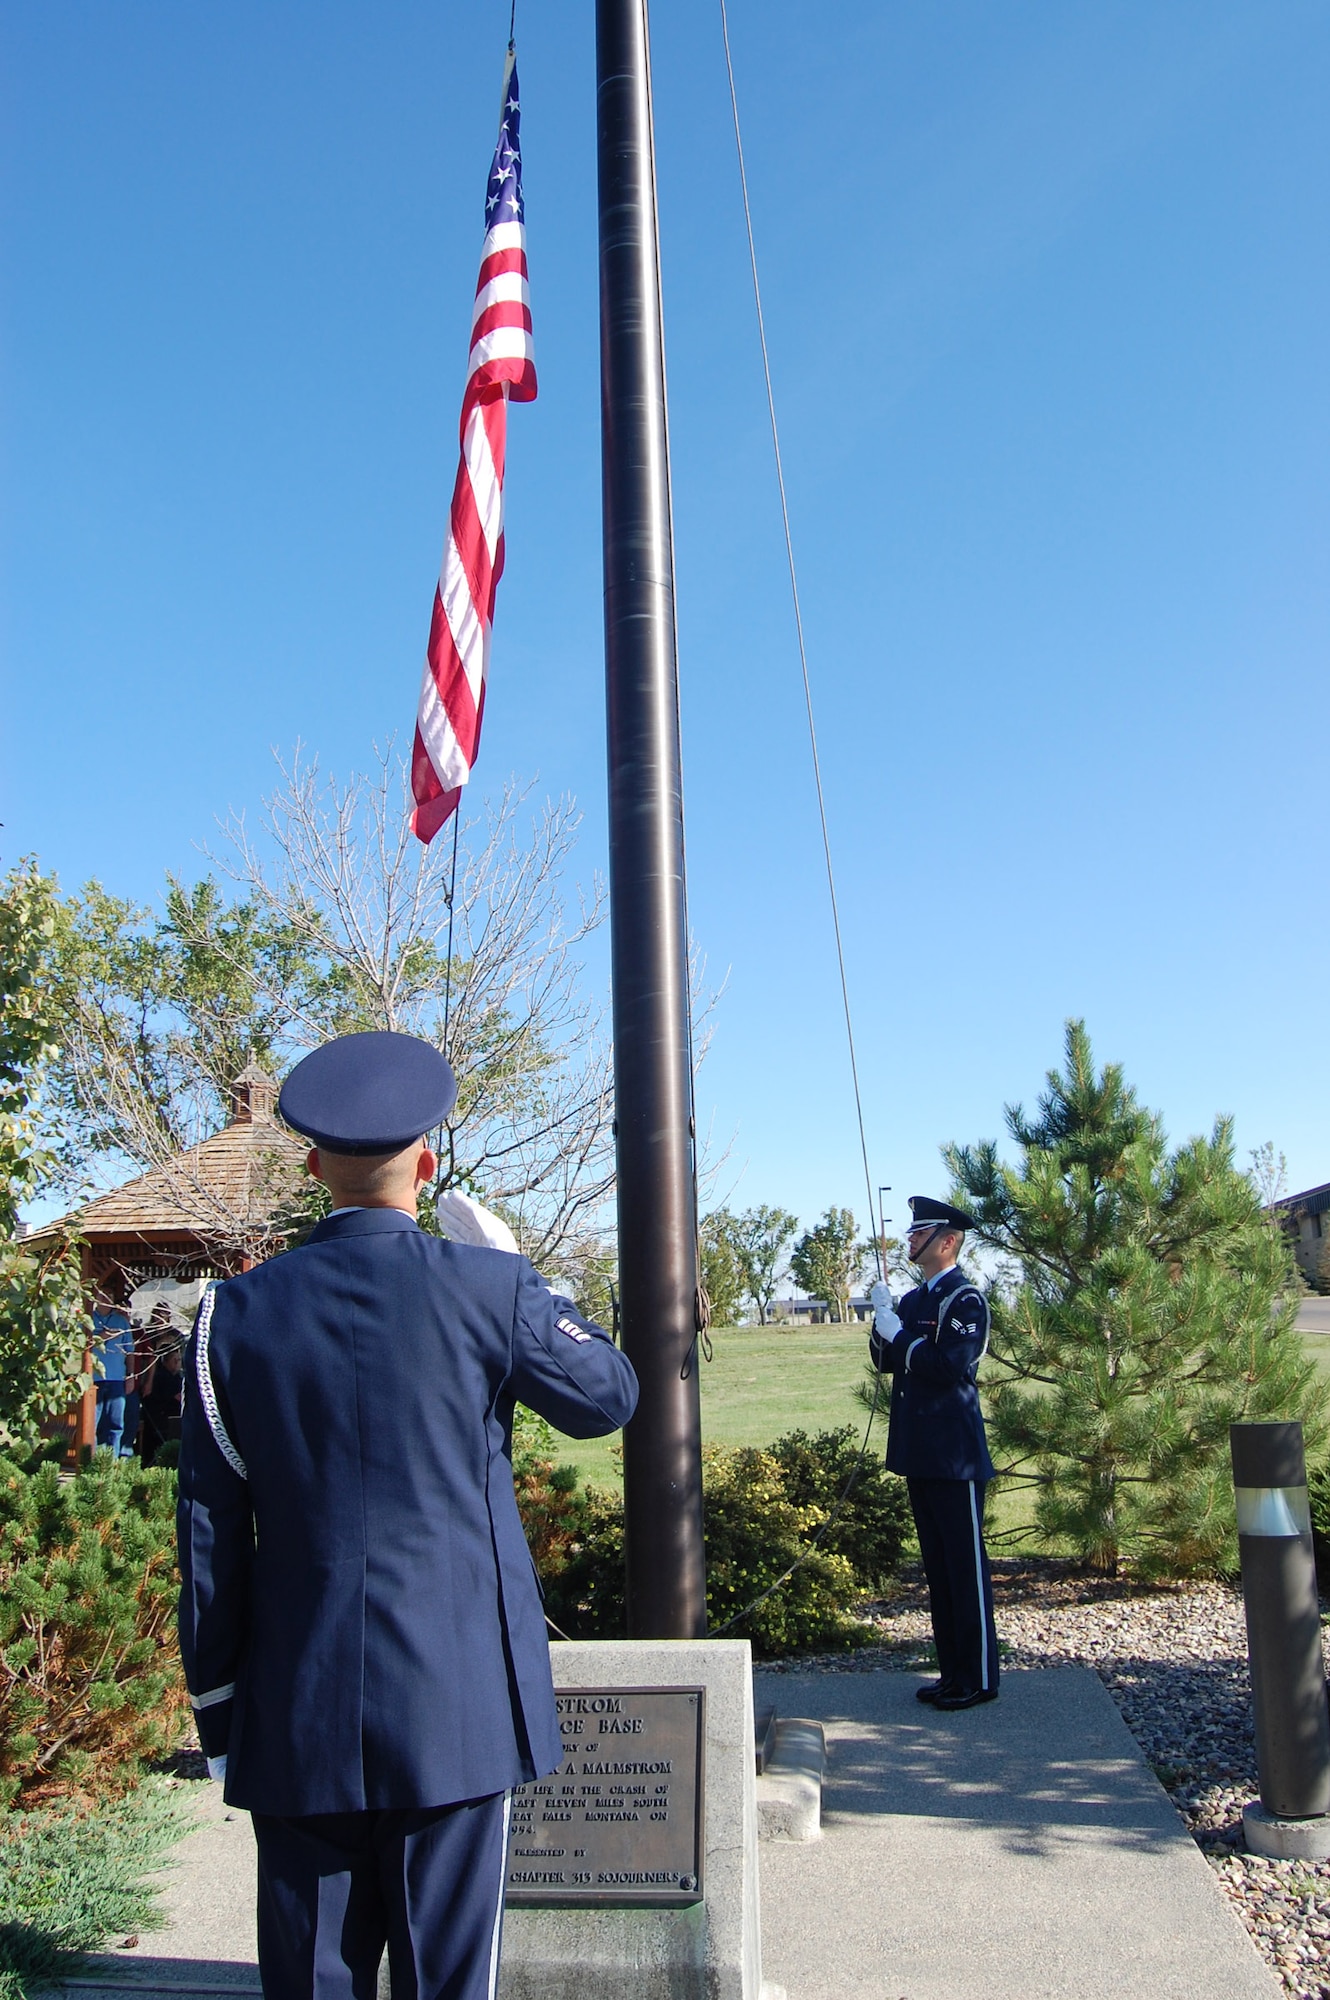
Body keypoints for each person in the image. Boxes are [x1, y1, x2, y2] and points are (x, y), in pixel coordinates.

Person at [176, 1029, 638, 2000]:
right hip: (456, 1706)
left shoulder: (233, 1314)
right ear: (427, 1166)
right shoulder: (489, 1287)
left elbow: (210, 1527)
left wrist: (220, 1708)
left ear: (312, 1166)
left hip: (294, 1711)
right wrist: (526, 1276)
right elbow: (608, 1397)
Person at [868, 1195, 998, 1711]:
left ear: (947, 1242)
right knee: (939, 1571)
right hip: (920, 1451)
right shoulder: (915, 1300)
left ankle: (980, 1677)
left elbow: (949, 1367)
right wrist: (880, 1320)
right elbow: (888, 1362)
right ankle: (952, 1673)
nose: (910, 1240)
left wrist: (898, 1333)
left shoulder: (964, 1301)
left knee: (965, 1569)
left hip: (955, 1455)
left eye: (920, 1234)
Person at [91, 1294, 135, 1455]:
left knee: (116, 1424)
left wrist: (130, 1376)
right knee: (92, 1424)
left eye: (110, 1299)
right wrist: (99, 1338)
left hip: (117, 1379)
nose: (107, 1302)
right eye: (103, 1298)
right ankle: (91, 1461)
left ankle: (113, 1462)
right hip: (94, 1379)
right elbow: (79, 1346)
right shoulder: (87, 1319)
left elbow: (130, 1352)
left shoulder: (121, 1322)